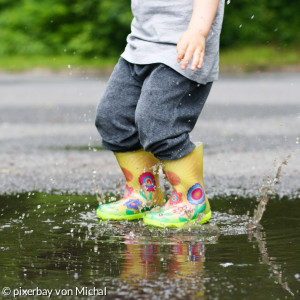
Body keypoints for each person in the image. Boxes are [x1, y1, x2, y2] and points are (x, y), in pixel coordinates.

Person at [95, 0, 225, 227]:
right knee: (113, 117)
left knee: (158, 123)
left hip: (184, 50)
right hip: (138, 48)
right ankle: (144, 193)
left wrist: (197, 31)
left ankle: (190, 200)